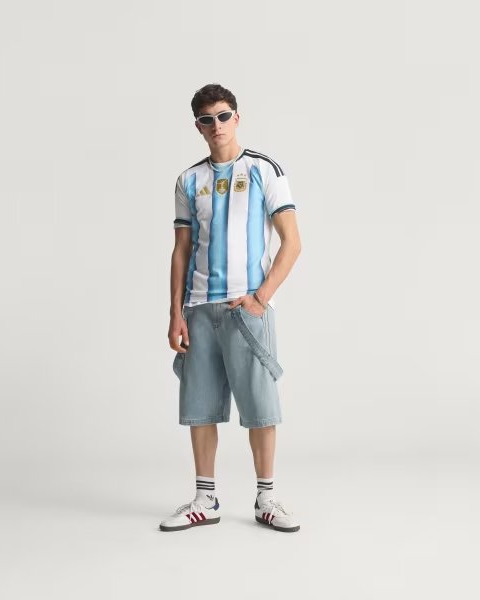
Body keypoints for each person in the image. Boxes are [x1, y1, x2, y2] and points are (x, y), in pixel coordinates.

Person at [160, 83, 302, 533]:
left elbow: (292, 242)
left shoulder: (264, 169)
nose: (216, 125)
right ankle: (205, 499)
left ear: (236, 118)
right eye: (207, 119)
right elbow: (181, 250)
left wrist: (260, 298)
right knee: (200, 407)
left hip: (247, 310)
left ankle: (266, 498)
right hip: (199, 309)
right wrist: (176, 312)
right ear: (198, 127)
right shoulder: (188, 180)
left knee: (261, 406)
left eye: (223, 116)